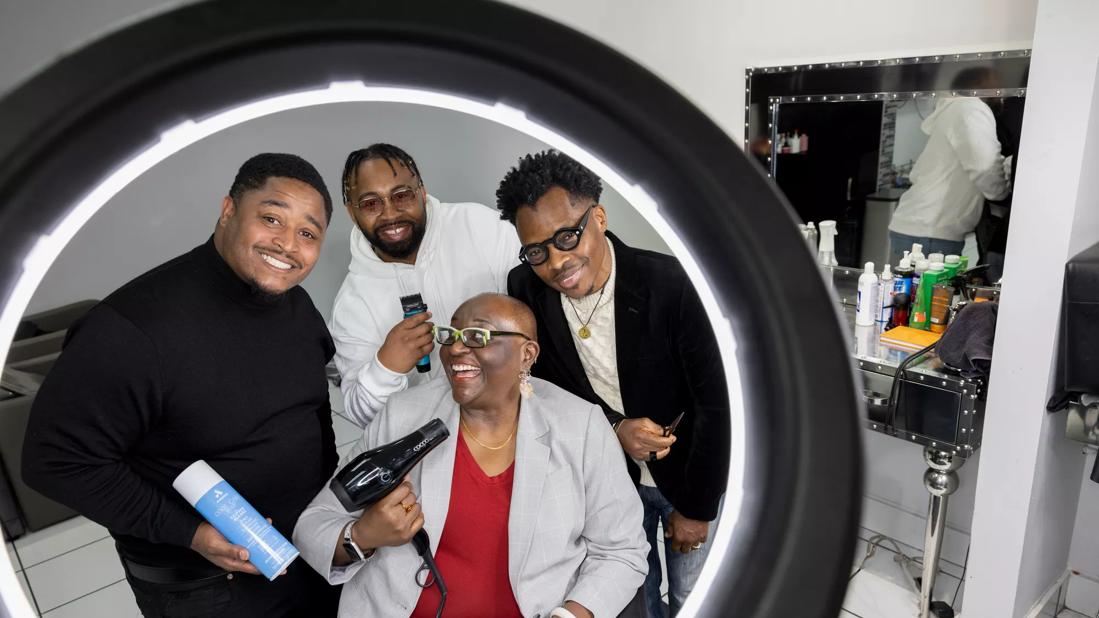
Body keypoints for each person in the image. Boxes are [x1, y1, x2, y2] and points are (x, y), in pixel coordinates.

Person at [22, 153, 341, 617]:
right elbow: (54, 460)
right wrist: (188, 532)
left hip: (308, 552)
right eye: (271, 218)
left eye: (307, 233)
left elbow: (314, 409)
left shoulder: (296, 306)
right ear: (229, 209)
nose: (287, 243)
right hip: (207, 588)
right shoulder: (131, 329)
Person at [294, 293, 648, 617]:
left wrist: (572, 614)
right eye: (450, 336)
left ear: (527, 354)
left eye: (478, 337)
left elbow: (621, 551)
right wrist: (364, 536)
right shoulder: (403, 415)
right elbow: (314, 524)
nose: (456, 349)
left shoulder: (579, 425)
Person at [497, 150, 730, 617]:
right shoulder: (524, 288)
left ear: (598, 217)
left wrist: (697, 509)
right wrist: (615, 426)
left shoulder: (673, 285)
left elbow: (718, 405)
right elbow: (544, 385)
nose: (558, 262)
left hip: (685, 478)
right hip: (606, 483)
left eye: (567, 236)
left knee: (695, 600)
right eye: (537, 250)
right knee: (634, 599)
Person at [328, 143, 521, 428]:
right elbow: (364, 417)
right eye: (371, 203)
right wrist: (386, 366)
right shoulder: (351, 306)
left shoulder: (481, 226)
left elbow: (544, 307)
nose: (390, 213)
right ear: (351, 212)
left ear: (421, 191)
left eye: (402, 195)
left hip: (521, 411)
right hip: (434, 445)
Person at [888, 67, 1012, 265]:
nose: (1002, 94)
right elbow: (984, 167)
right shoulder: (971, 109)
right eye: (997, 85)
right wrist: (1004, 191)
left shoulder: (956, 110)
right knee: (928, 296)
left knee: (907, 294)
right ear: (981, 86)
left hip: (919, 226)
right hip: (931, 232)